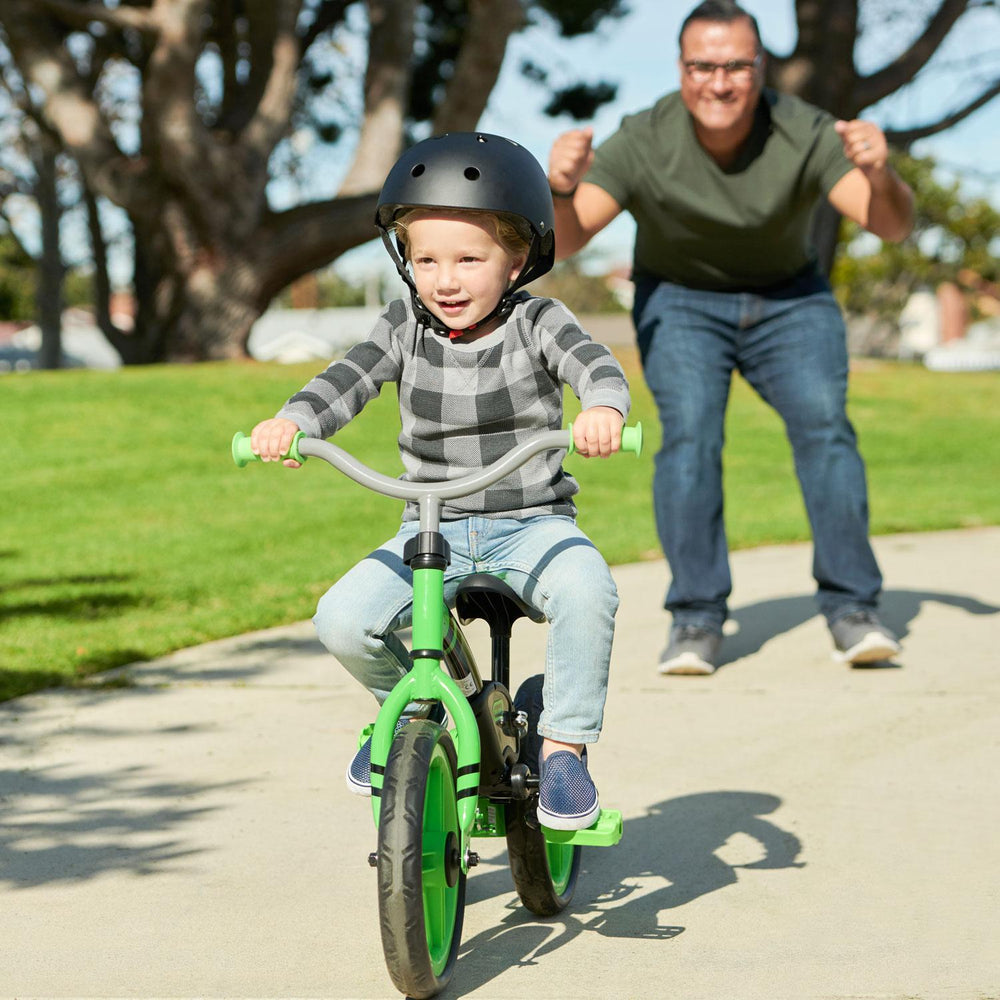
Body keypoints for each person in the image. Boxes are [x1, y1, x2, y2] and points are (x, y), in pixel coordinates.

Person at [251, 132, 630, 830]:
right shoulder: (403, 325)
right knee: (343, 618)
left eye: (467, 259)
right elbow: (348, 377)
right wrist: (294, 422)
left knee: (588, 590)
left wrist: (603, 408)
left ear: (516, 260)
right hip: (431, 529)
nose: (445, 280)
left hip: (533, 524)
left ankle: (564, 748)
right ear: (405, 261)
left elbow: (594, 364)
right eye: (425, 259)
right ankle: (413, 720)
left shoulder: (539, 320)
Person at [548, 0, 914, 675]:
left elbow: (890, 225)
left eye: (736, 67)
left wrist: (879, 172)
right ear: (683, 70)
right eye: (703, 66)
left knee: (825, 428)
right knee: (690, 436)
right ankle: (695, 618)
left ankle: (853, 608)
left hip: (790, 299)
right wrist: (561, 189)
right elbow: (569, 238)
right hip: (682, 301)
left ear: (759, 67)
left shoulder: (802, 130)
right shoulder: (645, 137)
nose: (719, 82)